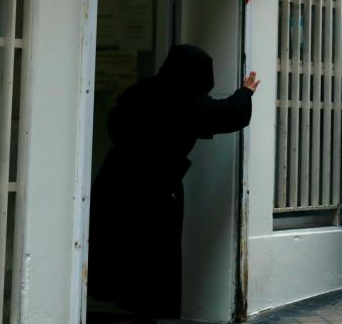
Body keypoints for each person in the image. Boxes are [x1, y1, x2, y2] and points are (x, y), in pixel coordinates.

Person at [89, 45, 259, 320]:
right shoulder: (187, 100)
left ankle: (124, 304)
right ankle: (146, 312)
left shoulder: (143, 90)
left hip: (117, 179)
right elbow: (228, 114)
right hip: (157, 187)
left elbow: (115, 121)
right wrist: (245, 92)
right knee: (155, 254)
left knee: (123, 247)